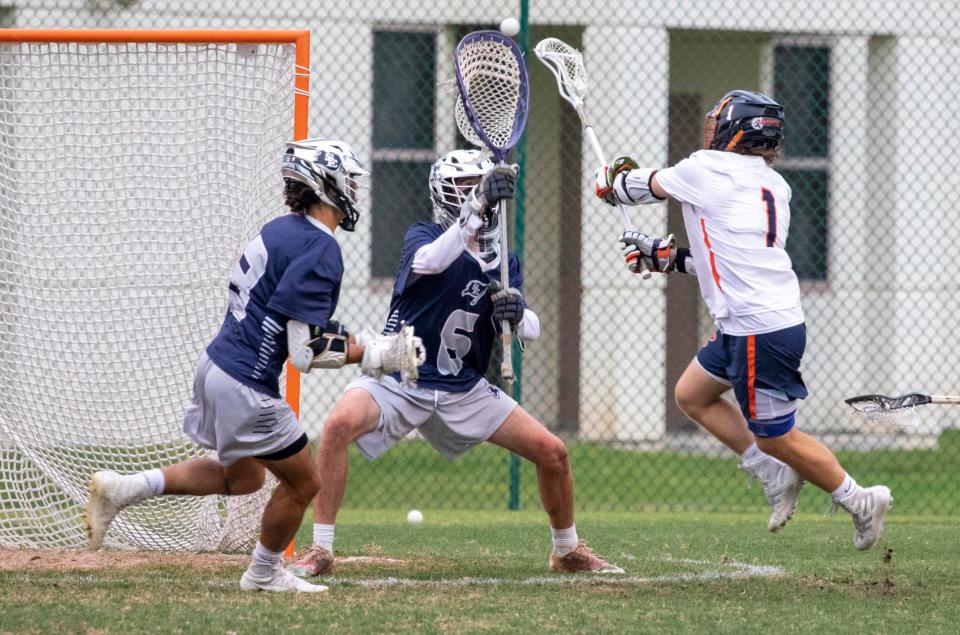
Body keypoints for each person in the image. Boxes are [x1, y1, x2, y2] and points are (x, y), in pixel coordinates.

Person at [84, 138, 424, 593]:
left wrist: (364, 343)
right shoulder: (322, 249)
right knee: (305, 483)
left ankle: (123, 489)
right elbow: (305, 351)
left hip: (216, 367)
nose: (356, 189)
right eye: (350, 179)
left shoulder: (282, 229)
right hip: (246, 380)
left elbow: (294, 322)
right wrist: (381, 355)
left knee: (242, 477)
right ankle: (263, 572)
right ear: (326, 182)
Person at [289, 149, 622, 578]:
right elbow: (431, 261)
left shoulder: (505, 259)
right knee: (336, 428)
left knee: (553, 453)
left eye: (478, 189)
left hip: (463, 387)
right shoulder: (424, 235)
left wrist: (516, 312)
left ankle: (566, 550)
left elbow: (532, 330)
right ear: (447, 197)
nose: (474, 197)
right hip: (402, 375)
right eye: (465, 190)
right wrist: (475, 209)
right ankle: (320, 549)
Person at [594, 90, 892, 549]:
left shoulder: (704, 168)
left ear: (738, 129)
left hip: (758, 328)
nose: (711, 130)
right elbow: (729, 258)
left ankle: (859, 500)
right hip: (757, 321)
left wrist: (610, 179)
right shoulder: (775, 185)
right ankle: (775, 474)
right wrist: (668, 259)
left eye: (719, 122)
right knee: (692, 394)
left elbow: (631, 188)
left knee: (777, 436)